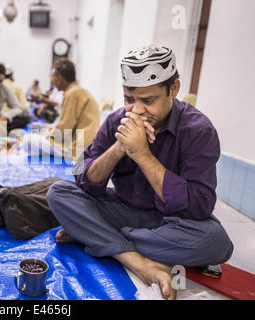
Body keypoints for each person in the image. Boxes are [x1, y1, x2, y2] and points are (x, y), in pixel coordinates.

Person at [46, 46, 234, 300]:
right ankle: (137, 261)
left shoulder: (198, 130)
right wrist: (118, 148)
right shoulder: (116, 121)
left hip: (170, 222)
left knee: (216, 241)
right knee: (59, 192)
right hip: (123, 209)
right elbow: (84, 179)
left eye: (148, 101)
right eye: (129, 99)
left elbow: (199, 207)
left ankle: (99, 237)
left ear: (173, 89)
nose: (136, 110)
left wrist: (142, 155)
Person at [21, 58, 100, 160]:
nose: (52, 80)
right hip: (83, 144)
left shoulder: (72, 94)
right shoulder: (77, 91)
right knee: (40, 134)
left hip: (77, 148)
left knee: (27, 140)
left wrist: (48, 135)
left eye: (53, 76)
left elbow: (65, 128)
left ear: (60, 77)